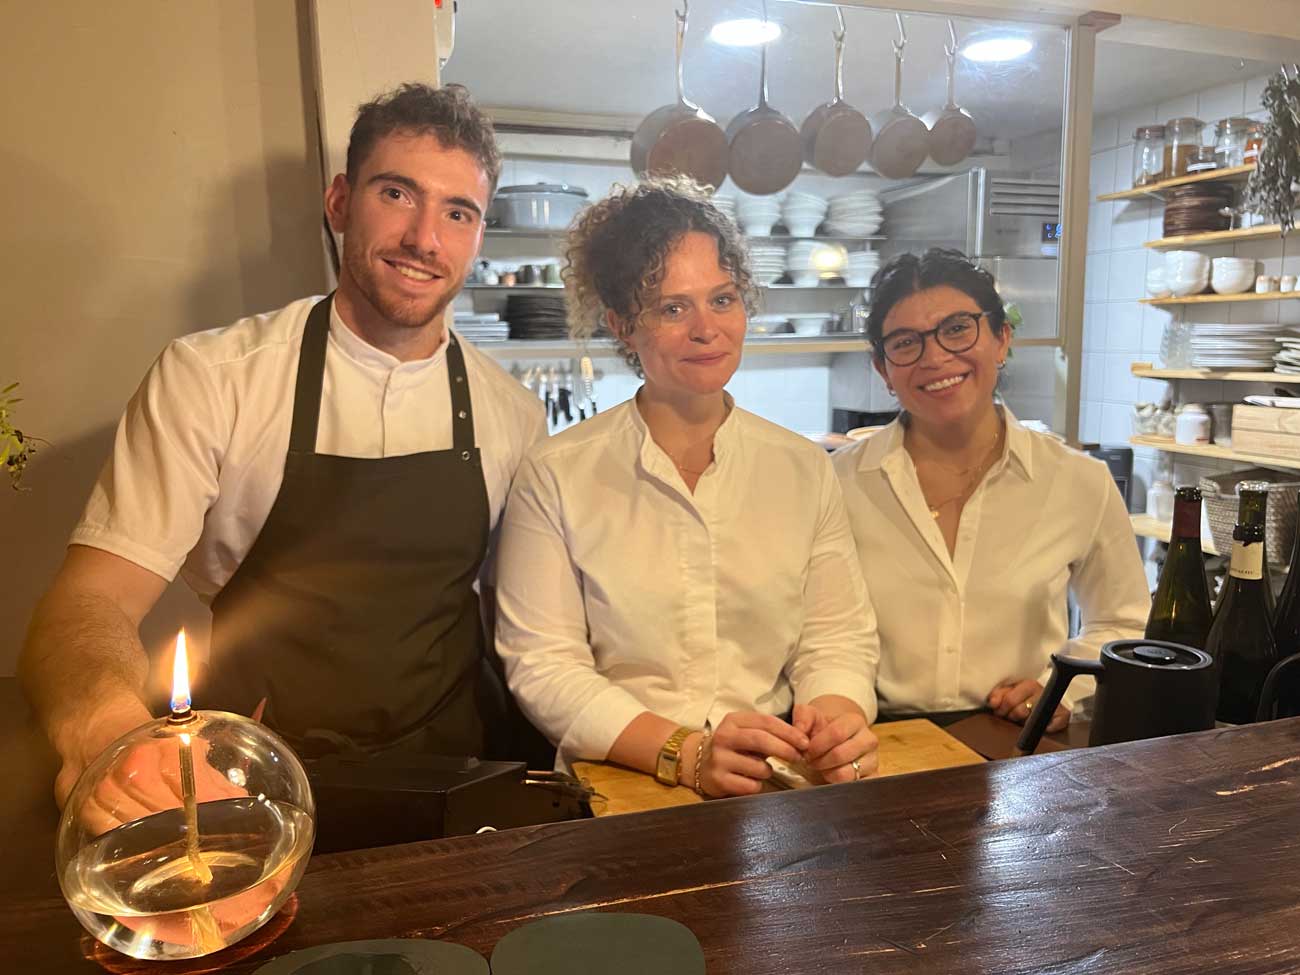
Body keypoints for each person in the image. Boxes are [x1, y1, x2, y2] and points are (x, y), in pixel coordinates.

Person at [20, 83, 546, 811]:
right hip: (249, 782)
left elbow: (527, 625)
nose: (425, 237)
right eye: (396, 193)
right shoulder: (211, 378)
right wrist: (106, 729)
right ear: (339, 201)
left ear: (478, 237)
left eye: (458, 212)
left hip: (456, 776)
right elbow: (88, 602)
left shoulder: (513, 415)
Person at [494, 178, 880, 799]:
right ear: (623, 325)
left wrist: (836, 720)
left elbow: (835, 635)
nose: (707, 329)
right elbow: (544, 665)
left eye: (723, 299)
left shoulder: (802, 468)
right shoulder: (558, 472)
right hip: (619, 786)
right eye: (673, 308)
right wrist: (684, 752)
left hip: (775, 783)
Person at [832, 248, 1148, 732]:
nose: (936, 357)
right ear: (883, 371)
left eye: (957, 328)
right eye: (905, 342)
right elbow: (821, 632)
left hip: (1019, 749)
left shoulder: (1078, 481)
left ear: (1001, 339)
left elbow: (1123, 623)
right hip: (876, 743)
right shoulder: (840, 483)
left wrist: (1062, 687)